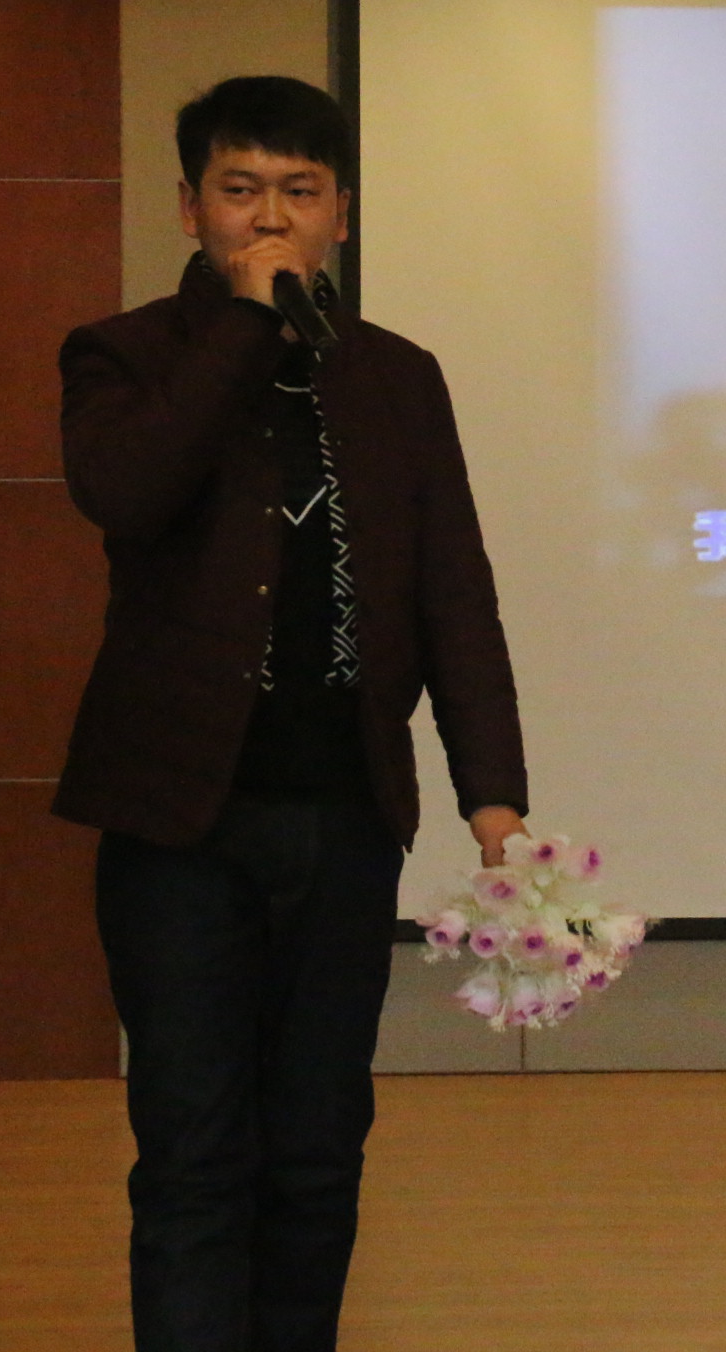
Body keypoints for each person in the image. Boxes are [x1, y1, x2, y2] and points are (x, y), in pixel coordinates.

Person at [54, 75, 529, 1352]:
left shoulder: (398, 378)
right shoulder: (124, 355)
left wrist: (494, 797)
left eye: (300, 193)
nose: (271, 218)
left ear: (342, 216)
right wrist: (244, 329)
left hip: (344, 815)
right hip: (177, 822)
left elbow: (454, 591)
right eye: (241, 189)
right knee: (194, 1149)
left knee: (318, 1150)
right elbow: (126, 492)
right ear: (190, 207)